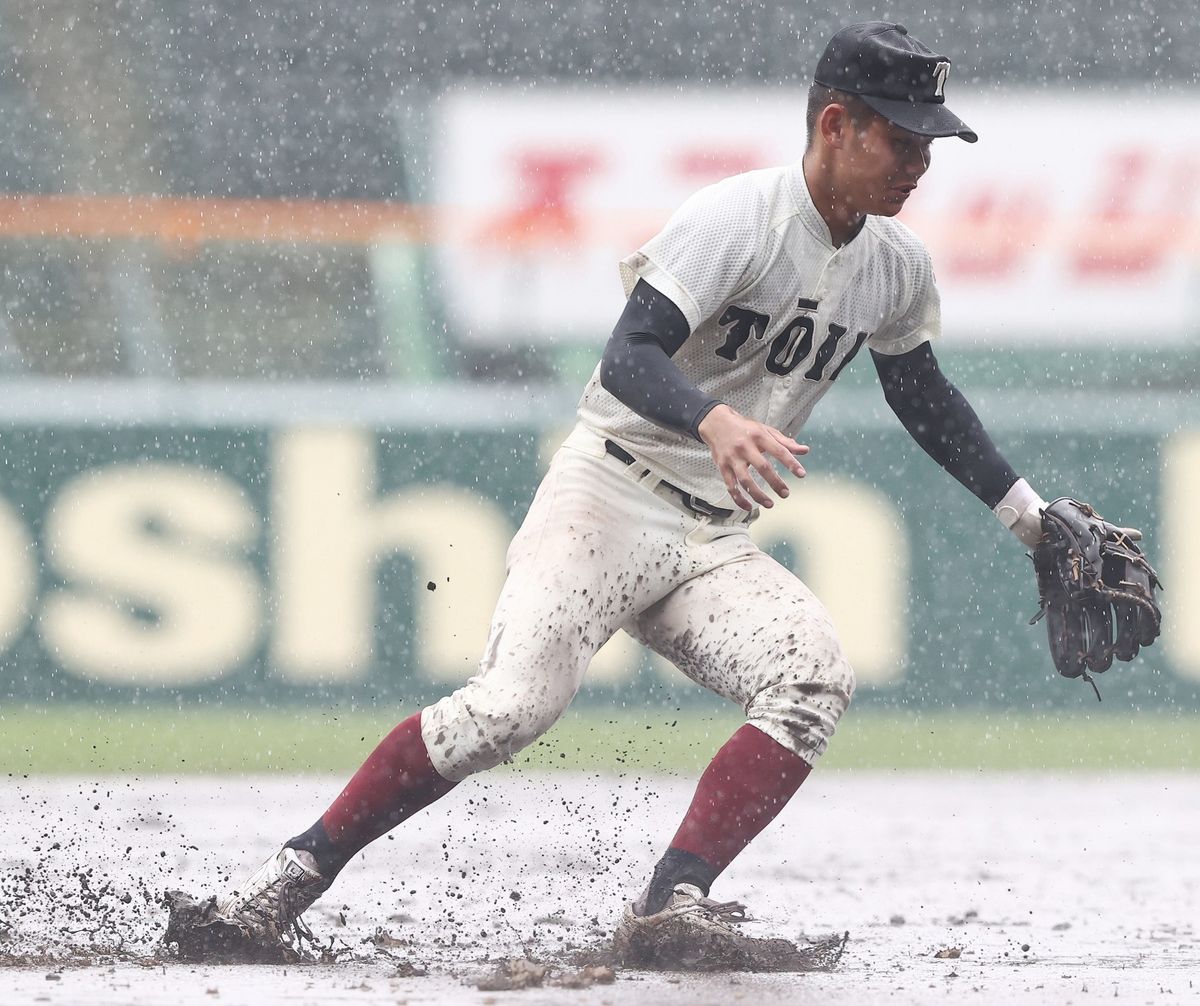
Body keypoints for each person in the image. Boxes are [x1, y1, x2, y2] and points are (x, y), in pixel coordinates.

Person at [204, 22, 1054, 958]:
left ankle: (670, 904)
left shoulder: (895, 265)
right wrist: (715, 422)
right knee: (512, 707)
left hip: (712, 538)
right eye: (902, 136)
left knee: (811, 679)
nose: (920, 160)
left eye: (930, 141)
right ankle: (284, 882)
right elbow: (626, 356)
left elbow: (923, 394)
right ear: (837, 123)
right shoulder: (741, 218)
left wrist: (1029, 517)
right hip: (610, 495)